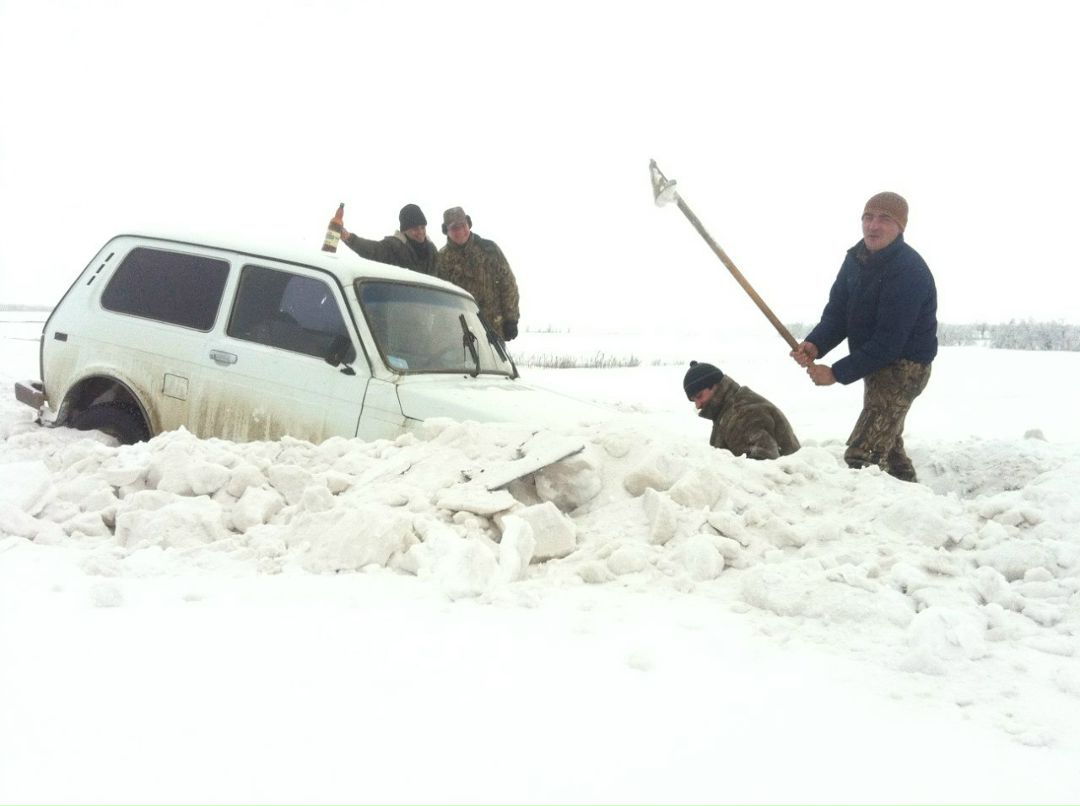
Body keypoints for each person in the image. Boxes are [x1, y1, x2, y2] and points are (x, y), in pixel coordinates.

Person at [790, 191, 937, 482]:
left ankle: (873, 503)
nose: (873, 225)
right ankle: (910, 493)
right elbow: (838, 313)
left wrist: (836, 373)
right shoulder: (856, 260)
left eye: (884, 219)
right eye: (868, 217)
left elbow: (889, 342)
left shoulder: (909, 271)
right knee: (887, 444)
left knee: (864, 454)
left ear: (900, 227)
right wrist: (815, 344)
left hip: (905, 367)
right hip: (875, 362)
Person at [683, 361, 800, 460]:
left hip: (787, 480)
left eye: (699, 396)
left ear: (715, 386)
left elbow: (765, 467)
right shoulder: (727, 410)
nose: (698, 405)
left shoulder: (742, 414)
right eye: (693, 400)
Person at [437, 206, 520, 340]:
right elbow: (440, 297)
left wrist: (511, 319)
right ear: (446, 231)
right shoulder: (441, 259)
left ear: (469, 224)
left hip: (493, 328)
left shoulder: (489, 250)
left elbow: (507, 283)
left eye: (463, 225)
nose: (460, 231)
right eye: (454, 228)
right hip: (460, 332)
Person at [340, 203, 438, 276]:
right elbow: (372, 250)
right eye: (415, 229)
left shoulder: (432, 250)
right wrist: (349, 238)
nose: (420, 232)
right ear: (404, 231)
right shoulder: (393, 247)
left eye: (422, 227)